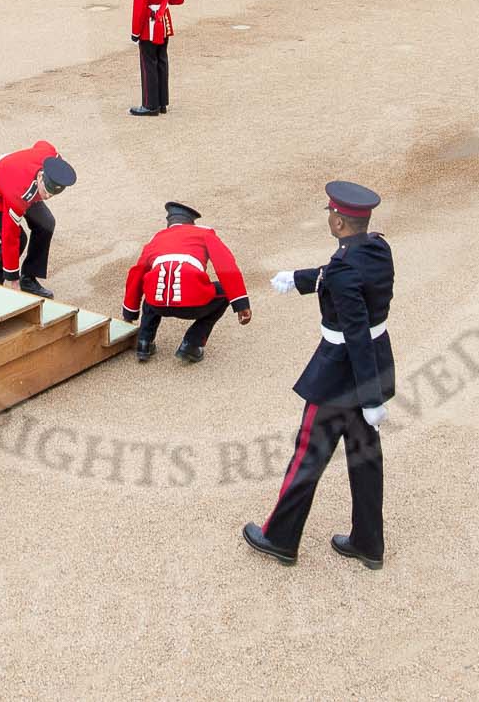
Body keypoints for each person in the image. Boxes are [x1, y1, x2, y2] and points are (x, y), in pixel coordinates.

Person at [244, 180, 395, 570]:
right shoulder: (377, 248)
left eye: (331, 213)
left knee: (308, 456)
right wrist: (301, 279)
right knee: (364, 460)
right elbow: (340, 273)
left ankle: (280, 537)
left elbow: (355, 333)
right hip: (372, 366)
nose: (329, 217)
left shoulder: (345, 268)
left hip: (340, 375)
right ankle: (368, 542)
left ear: (341, 223)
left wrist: (370, 396)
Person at [121, 201, 251, 362]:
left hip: (158, 304)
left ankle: (144, 342)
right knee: (224, 293)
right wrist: (241, 305)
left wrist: (129, 312)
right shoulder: (204, 234)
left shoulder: (157, 238)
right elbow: (226, 266)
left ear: (169, 222)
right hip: (193, 304)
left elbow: (137, 273)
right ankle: (192, 344)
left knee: (153, 286)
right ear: (191, 222)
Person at [0, 140, 76, 297]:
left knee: (46, 223)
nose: (47, 197)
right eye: (46, 192)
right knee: (19, 239)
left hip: (20, 184)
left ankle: (29, 278)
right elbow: (9, 236)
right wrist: (13, 281)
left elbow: (42, 144)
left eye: (51, 195)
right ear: (40, 176)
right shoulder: (18, 195)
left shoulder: (52, 159)